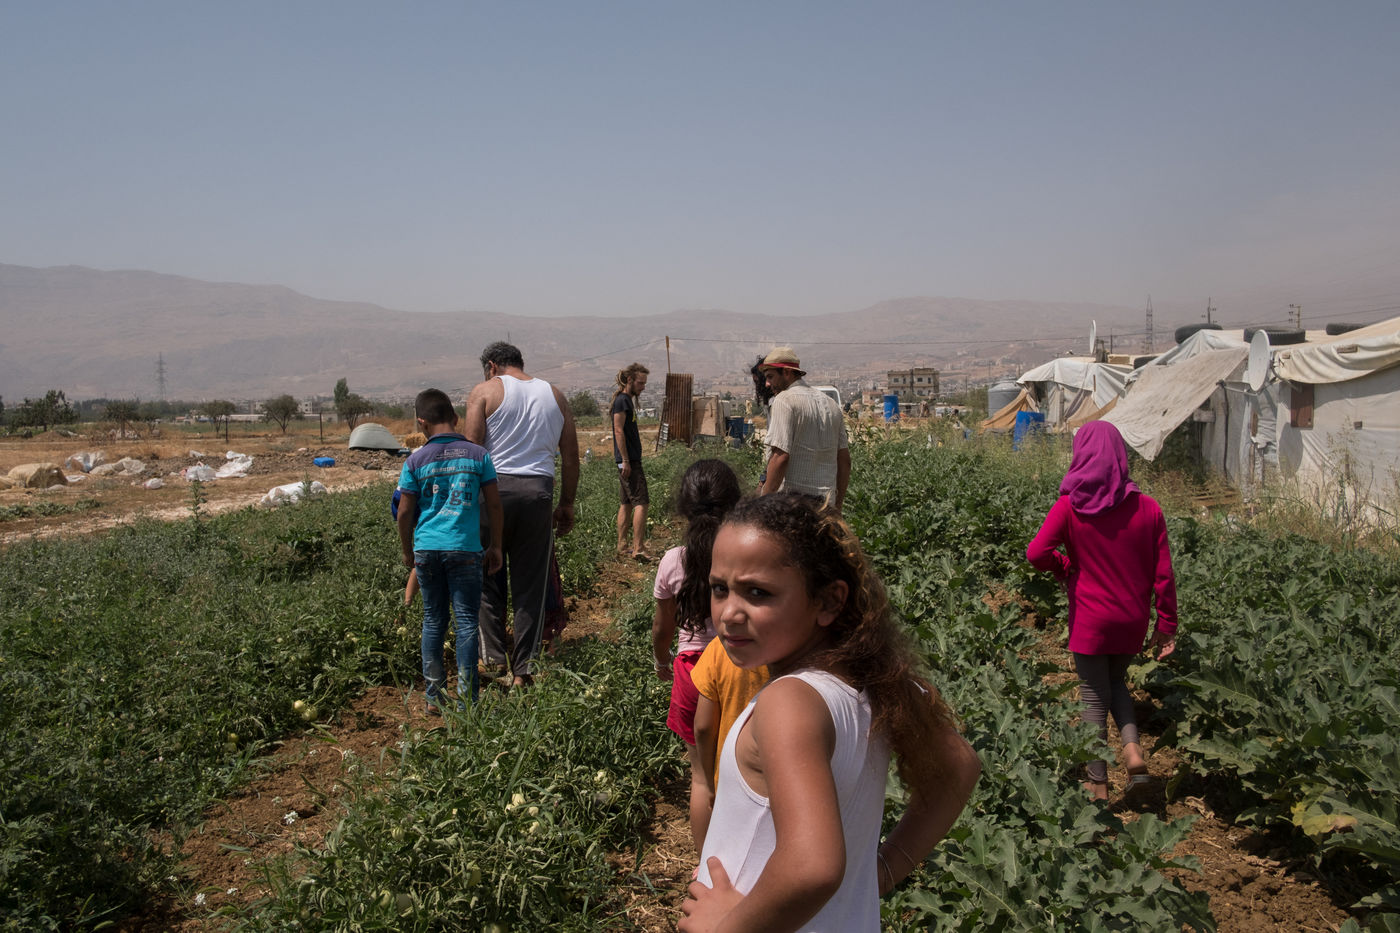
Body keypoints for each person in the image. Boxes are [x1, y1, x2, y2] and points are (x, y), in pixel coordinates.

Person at [680, 494, 981, 933]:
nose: (728, 613)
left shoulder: (789, 701)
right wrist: (881, 871)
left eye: (758, 592)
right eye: (719, 588)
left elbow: (812, 867)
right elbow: (960, 766)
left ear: (828, 602)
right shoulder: (880, 682)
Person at [1025, 420, 1178, 801]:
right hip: (1132, 619)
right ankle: (1133, 753)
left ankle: (1097, 784)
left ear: (1081, 455)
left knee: (1093, 697)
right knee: (1116, 682)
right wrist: (1166, 624)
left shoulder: (1069, 507)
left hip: (1091, 620)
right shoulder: (1148, 508)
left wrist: (1065, 568)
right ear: (1120, 456)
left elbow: (1036, 553)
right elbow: (1163, 573)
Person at [463, 342, 580, 688]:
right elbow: (570, 458)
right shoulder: (555, 396)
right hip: (538, 495)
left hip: (493, 493)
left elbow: (472, 452)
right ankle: (523, 670)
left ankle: (494, 660)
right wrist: (566, 503)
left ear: (492, 366)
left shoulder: (484, 391)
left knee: (486, 578)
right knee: (531, 585)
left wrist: (466, 506)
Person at [652, 459, 745, 850]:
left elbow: (662, 629)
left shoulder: (673, 561)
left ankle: (707, 866)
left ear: (683, 507)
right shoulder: (744, 554)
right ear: (736, 504)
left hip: (692, 672)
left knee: (702, 778)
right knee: (749, 772)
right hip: (741, 666)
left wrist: (661, 661)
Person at [396, 388, 503, 713]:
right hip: (465, 549)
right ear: (456, 418)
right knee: (467, 622)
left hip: (427, 549)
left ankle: (434, 697)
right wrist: (496, 545)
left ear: (421, 423)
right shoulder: (478, 455)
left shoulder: (415, 461)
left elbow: (404, 512)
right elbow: (494, 505)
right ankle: (467, 701)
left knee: (433, 621)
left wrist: (408, 551)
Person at [689, 635, 767, 850]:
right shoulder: (804, 653)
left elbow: (703, 727)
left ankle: (703, 864)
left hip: (730, 784)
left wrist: (708, 782)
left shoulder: (720, 647)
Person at [757, 347, 851, 512]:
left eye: (770, 377)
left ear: (787, 372)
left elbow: (780, 458)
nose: (767, 384)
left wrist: (762, 505)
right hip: (826, 508)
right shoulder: (831, 405)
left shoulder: (784, 401)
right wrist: (838, 506)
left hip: (793, 509)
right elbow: (844, 461)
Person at [612, 362, 652, 560]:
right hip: (629, 462)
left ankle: (622, 545)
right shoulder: (622, 401)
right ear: (630, 380)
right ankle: (638, 548)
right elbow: (618, 431)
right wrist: (626, 460)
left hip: (628, 461)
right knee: (641, 503)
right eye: (640, 383)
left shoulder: (626, 401)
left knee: (626, 503)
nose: (643, 387)